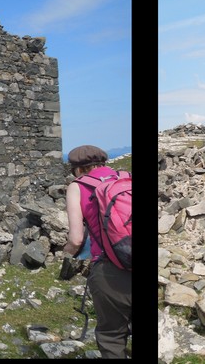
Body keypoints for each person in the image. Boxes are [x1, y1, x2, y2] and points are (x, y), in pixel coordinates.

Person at [62, 145, 131, 358]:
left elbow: (76, 239)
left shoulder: (77, 186)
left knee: (112, 334)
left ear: (79, 169)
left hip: (109, 269)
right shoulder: (125, 177)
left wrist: (66, 256)